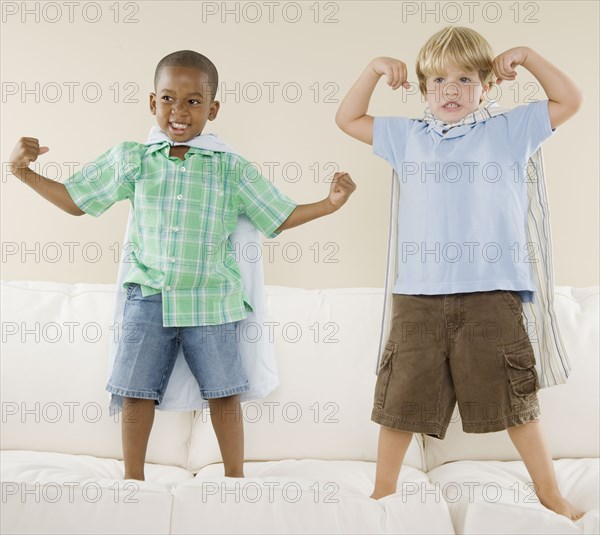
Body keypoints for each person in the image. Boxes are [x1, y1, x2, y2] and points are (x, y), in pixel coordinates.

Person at [9, 50, 356, 482]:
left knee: (225, 393)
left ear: (212, 110)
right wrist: (22, 173)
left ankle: (234, 481)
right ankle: (132, 482)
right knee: (134, 391)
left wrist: (329, 204)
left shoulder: (229, 169)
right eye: (169, 98)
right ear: (152, 103)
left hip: (211, 300)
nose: (179, 111)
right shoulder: (132, 159)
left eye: (194, 102)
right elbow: (78, 202)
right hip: (148, 297)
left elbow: (277, 216)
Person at [335, 26, 584, 521]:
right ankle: (383, 493)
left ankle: (549, 492)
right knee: (399, 400)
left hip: (491, 295)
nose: (452, 90)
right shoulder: (407, 137)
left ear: (487, 88)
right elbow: (348, 117)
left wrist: (529, 56)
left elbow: (569, 99)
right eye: (440, 81)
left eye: (467, 79)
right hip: (417, 296)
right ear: (423, 89)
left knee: (517, 402)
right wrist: (374, 69)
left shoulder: (509, 131)